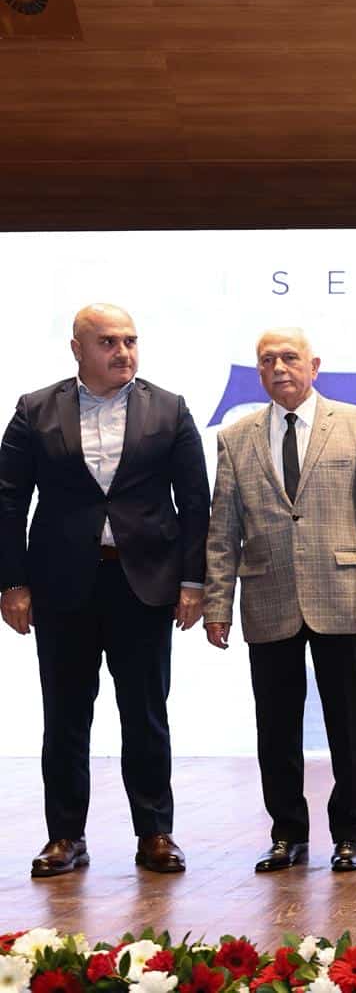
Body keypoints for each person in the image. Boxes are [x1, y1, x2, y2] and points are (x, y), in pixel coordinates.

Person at [0, 304, 208, 878]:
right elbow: (8, 502)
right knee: (65, 715)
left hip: (144, 582)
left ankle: (155, 832)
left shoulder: (169, 408)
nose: (123, 352)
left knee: (146, 713)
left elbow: (196, 501)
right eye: (108, 342)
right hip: (61, 584)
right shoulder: (35, 409)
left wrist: (194, 581)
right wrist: (12, 582)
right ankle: (65, 836)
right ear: (78, 349)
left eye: (130, 341)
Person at [204, 328, 356, 875]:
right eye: (268, 360)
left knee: (349, 724)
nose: (279, 368)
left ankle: (351, 834)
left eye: (290, 357)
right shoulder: (235, 437)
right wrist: (217, 604)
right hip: (269, 596)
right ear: (258, 371)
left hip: (344, 596)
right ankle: (287, 833)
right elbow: (223, 529)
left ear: (314, 366)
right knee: (276, 726)